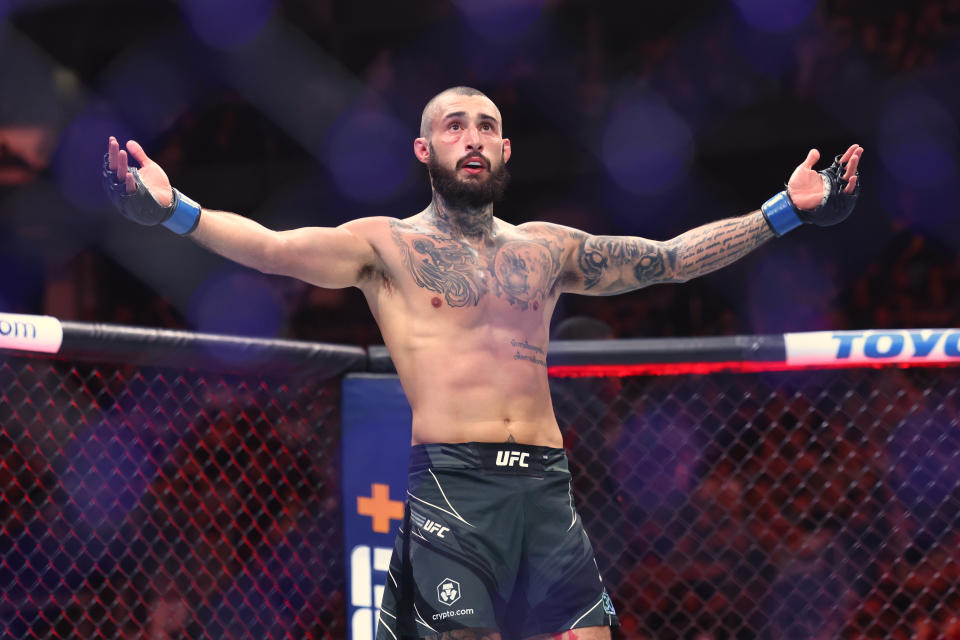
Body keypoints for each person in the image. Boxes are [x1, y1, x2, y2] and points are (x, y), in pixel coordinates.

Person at [102, 86, 863, 640]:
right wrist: (175, 211)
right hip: (454, 485)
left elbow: (667, 260)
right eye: (454, 124)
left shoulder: (547, 247)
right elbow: (269, 247)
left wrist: (785, 210)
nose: (473, 136)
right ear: (424, 150)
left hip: (546, 483)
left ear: (504, 150)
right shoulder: (383, 246)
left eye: (487, 126)